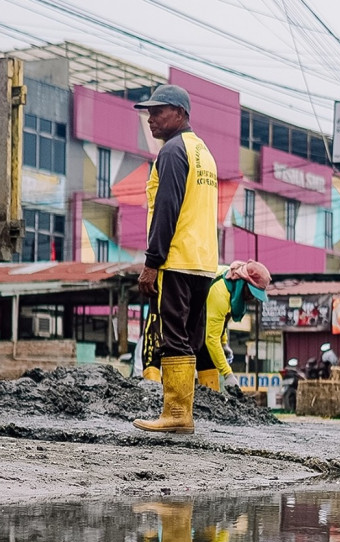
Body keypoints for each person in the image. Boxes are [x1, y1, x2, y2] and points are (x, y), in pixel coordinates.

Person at [131, 84, 219, 434]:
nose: (150, 118)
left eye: (158, 111)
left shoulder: (172, 152)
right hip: (204, 262)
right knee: (189, 336)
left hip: (177, 260)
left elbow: (167, 209)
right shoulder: (203, 152)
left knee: (173, 336)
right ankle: (182, 413)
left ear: (180, 113)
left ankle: (177, 414)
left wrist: (152, 262)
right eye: (149, 112)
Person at [196, 260, 271, 392]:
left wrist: (224, 343)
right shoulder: (221, 293)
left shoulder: (232, 281)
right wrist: (228, 374)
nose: (251, 299)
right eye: (251, 293)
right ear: (244, 283)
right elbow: (211, 339)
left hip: (203, 317)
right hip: (188, 318)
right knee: (206, 355)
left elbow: (220, 321)